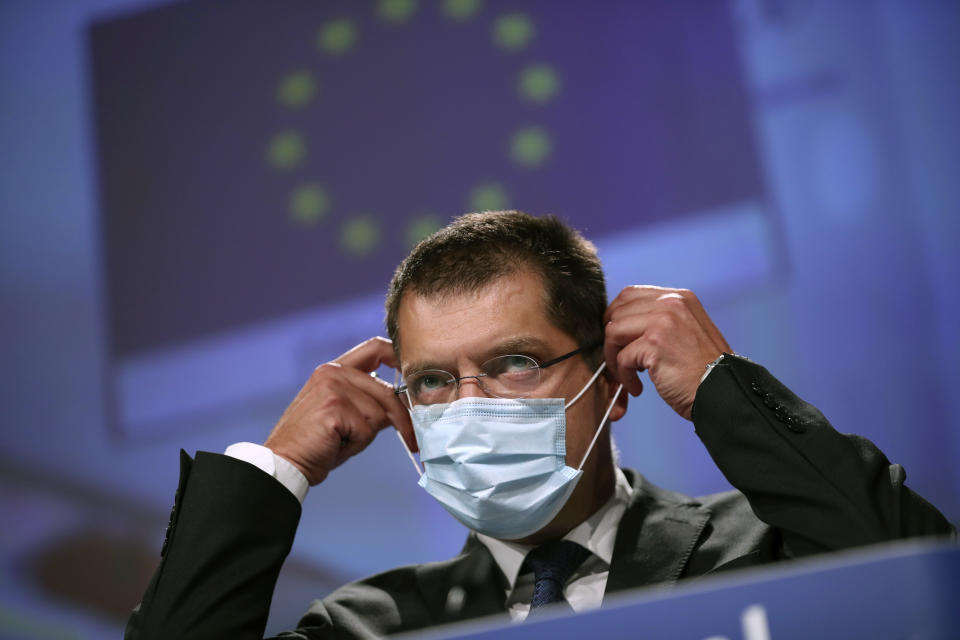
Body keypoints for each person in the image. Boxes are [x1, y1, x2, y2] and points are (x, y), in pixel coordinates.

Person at [125, 211, 954, 639]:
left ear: (614, 383)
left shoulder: (764, 555)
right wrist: (277, 469)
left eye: (515, 362)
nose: (472, 403)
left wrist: (717, 387)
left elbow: (925, 591)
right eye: (434, 381)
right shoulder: (370, 628)